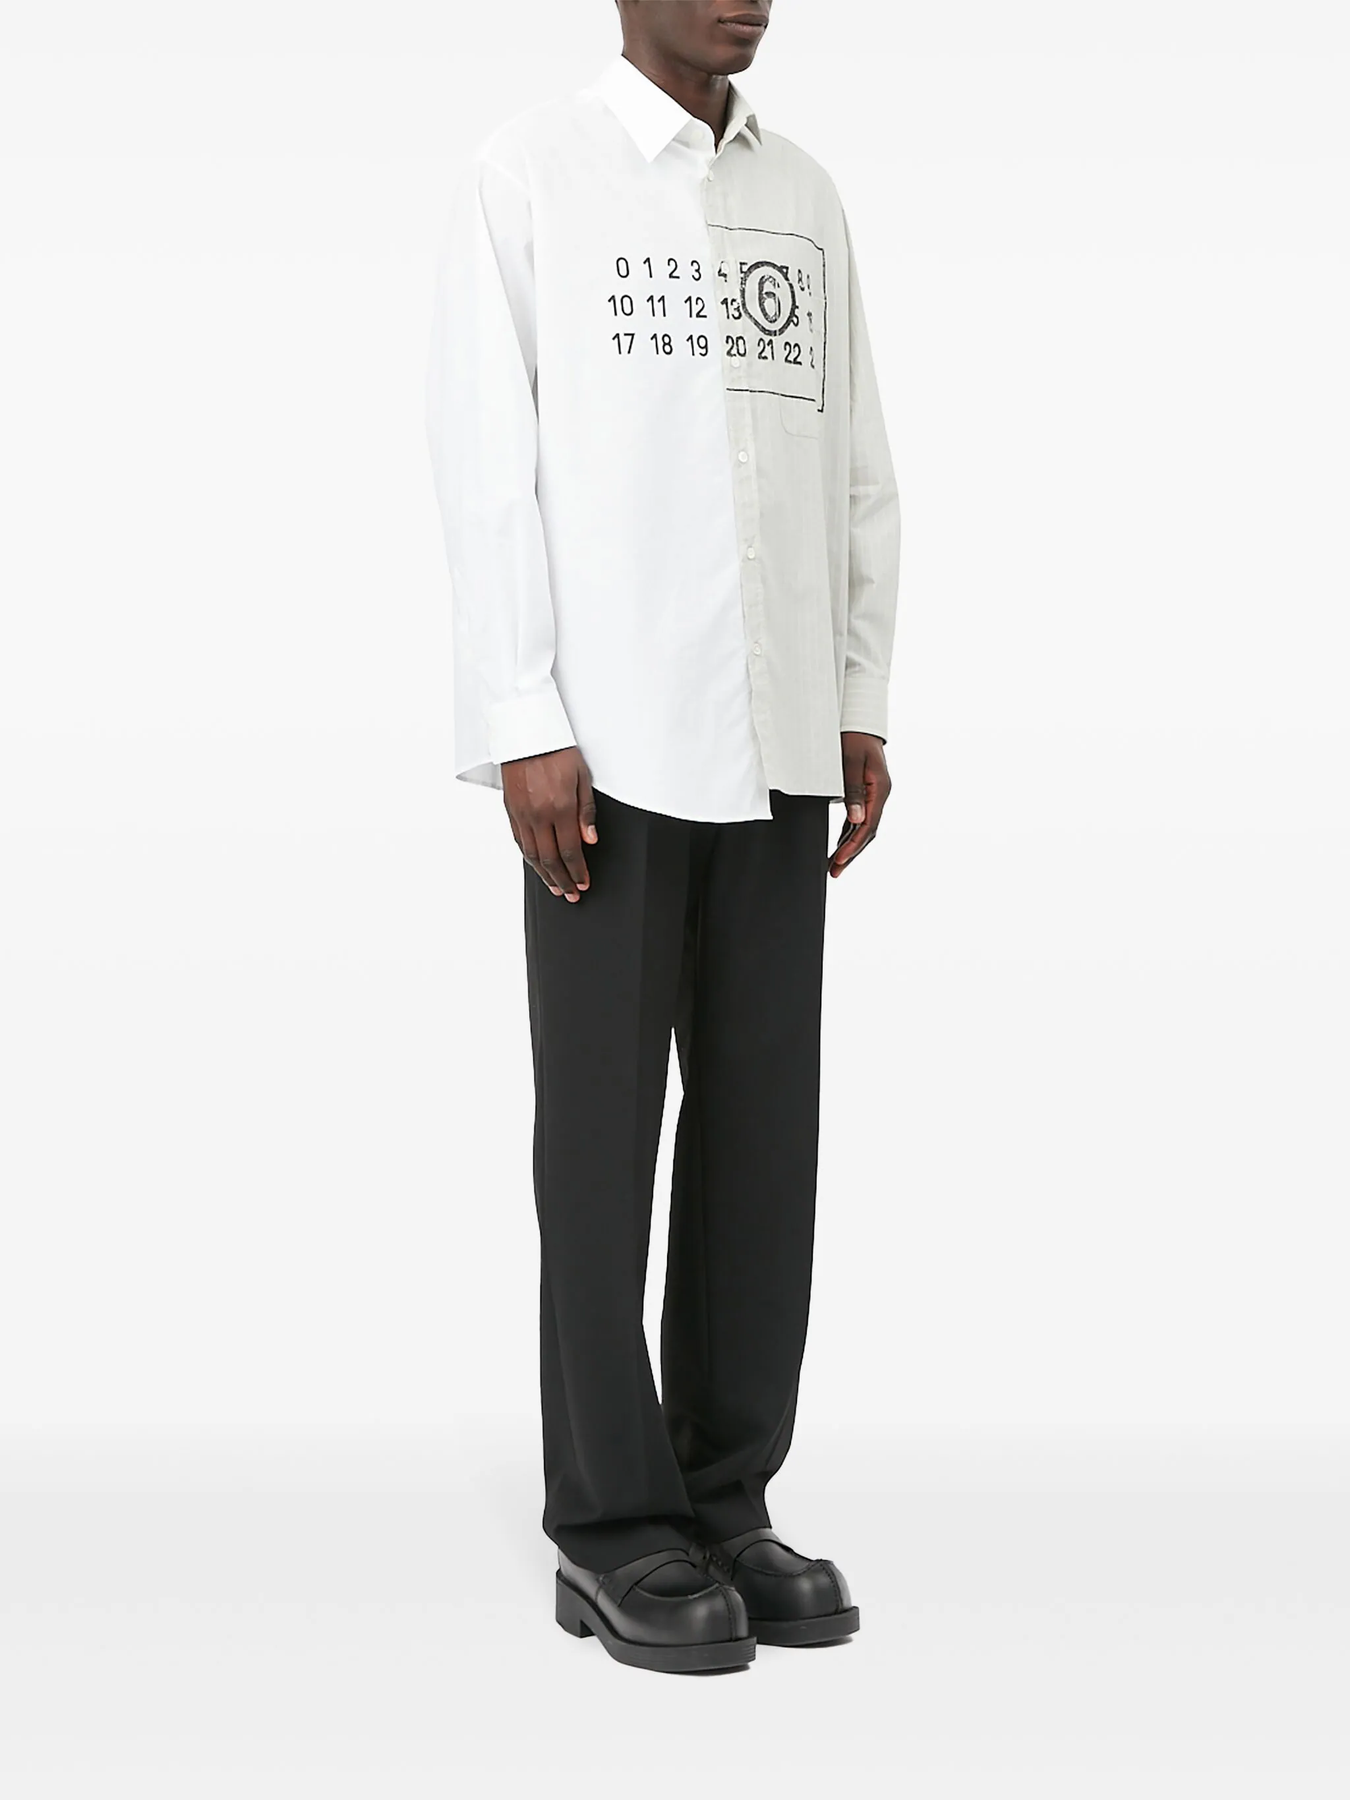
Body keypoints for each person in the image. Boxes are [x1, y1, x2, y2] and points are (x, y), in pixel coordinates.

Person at [426, 0, 899, 1675]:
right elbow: (486, 465)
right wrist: (522, 717)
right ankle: (612, 1523)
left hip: (777, 734)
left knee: (764, 1134)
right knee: (601, 1139)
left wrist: (855, 693)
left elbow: (854, 459)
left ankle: (723, 1492)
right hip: (610, 748)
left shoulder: (804, 194)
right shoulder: (530, 174)